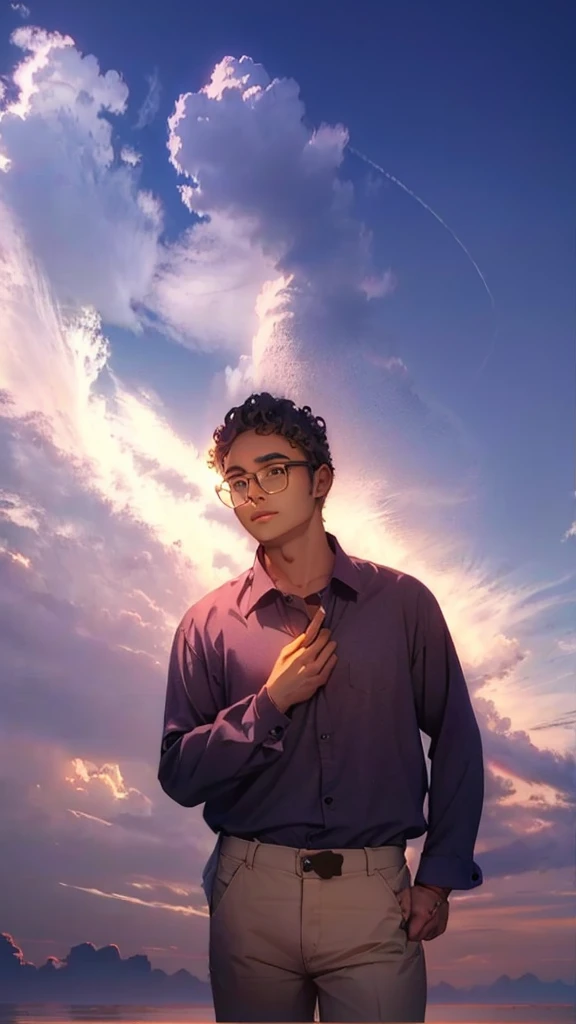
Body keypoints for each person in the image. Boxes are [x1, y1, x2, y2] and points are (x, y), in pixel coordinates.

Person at [158, 392, 485, 1024]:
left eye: (274, 470)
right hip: (249, 893)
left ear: (322, 481)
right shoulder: (205, 624)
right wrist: (269, 704)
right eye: (238, 480)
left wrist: (438, 878)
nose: (255, 493)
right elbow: (178, 775)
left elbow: (456, 738)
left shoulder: (404, 604)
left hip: (375, 899)